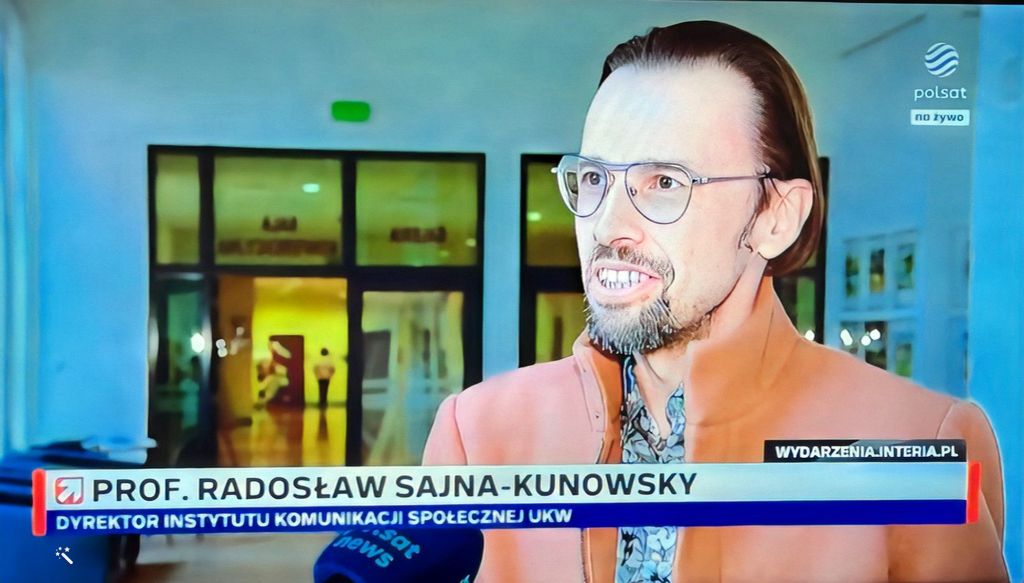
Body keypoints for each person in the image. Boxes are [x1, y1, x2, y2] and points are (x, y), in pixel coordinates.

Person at [423, 20, 1007, 583]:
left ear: (775, 217)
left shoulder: (916, 445)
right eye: (596, 179)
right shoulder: (477, 433)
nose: (607, 226)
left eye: (665, 182)